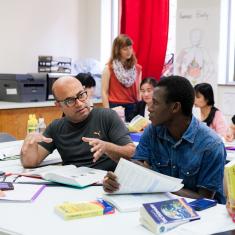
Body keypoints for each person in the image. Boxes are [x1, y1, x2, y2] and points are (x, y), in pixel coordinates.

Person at [103, 76, 226, 204]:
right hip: (159, 205)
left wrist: (159, 185)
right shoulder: (152, 131)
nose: (149, 108)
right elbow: (137, 167)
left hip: (202, 215)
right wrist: (118, 178)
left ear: (175, 107)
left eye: (155, 103)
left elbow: (204, 199)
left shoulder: (211, 145)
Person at [21, 76, 135, 171]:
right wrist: (29, 143)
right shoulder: (56, 127)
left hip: (105, 184)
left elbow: (132, 153)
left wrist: (107, 147)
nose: (80, 104)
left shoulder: (107, 117)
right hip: (73, 186)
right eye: (70, 101)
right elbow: (31, 162)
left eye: (81, 95)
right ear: (58, 105)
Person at [102, 34, 142, 122]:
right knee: (117, 134)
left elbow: (139, 91)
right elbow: (104, 92)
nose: (129, 51)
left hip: (133, 106)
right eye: (125, 49)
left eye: (130, 48)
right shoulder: (109, 68)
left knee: (133, 134)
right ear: (117, 50)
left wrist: (141, 108)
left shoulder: (138, 68)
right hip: (116, 107)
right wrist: (107, 111)